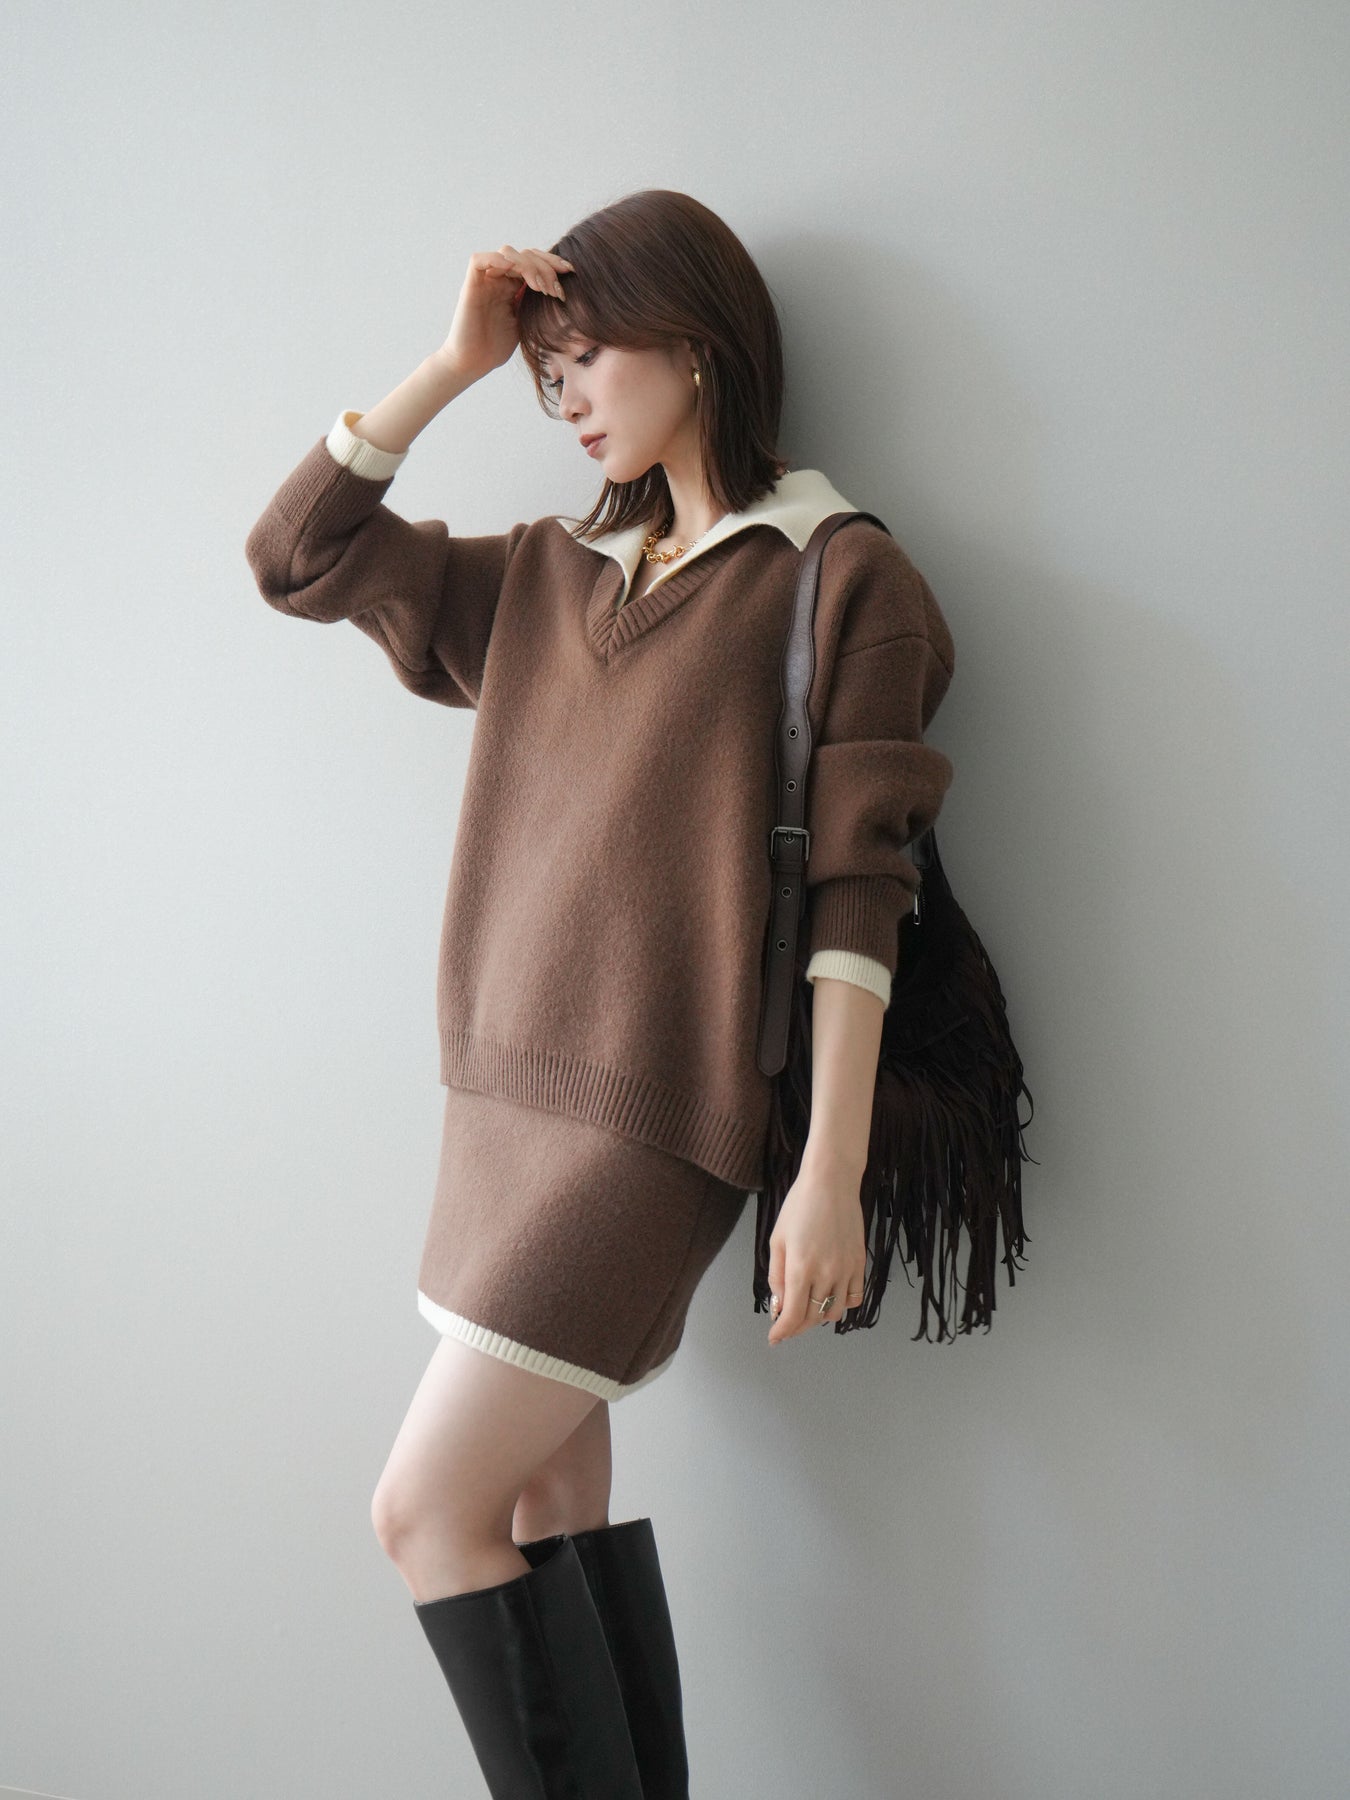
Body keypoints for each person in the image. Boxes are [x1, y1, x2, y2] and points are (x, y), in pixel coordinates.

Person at [244, 188, 956, 1797]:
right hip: (496, 1111)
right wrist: (448, 365)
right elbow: (296, 558)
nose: (561, 401)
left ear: (694, 345)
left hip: (652, 1125)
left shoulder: (840, 579)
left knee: (422, 1513)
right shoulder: (548, 578)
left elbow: (861, 897)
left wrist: (828, 1171)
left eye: (584, 362)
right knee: (546, 1511)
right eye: (542, 375)